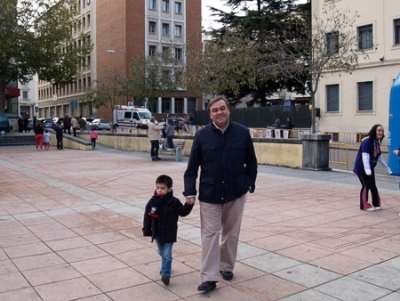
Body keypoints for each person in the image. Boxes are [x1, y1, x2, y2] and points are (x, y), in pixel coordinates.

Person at [183, 96, 258, 293]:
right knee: (210, 234)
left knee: (231, 233)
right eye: (215, 110)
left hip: (236, 192)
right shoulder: (202, 136)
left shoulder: (242, 133)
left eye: (222, 108)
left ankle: (226, 266)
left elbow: (251, 162)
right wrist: (190, 191)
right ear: (210, 114)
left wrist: (249, 182)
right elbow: (192, 168)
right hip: (210, 193)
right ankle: (209, 276)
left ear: (228, 110)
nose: (220, 112)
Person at [142, 175, 194, 286]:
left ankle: (165, 274)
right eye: (158, 187)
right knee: (162, 252)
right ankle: (167, 265)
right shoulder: (152, 202)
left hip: (169, 233)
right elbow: (147, 216)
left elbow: (182, 212)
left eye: (163, 188)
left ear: (169, 189)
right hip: (157, 233)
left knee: (166, 254)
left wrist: (189, 205)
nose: (159, 190)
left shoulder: (174, 202)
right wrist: (147, 230)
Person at [353, 124, 392, 211]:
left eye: (382, 131)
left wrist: (387, 169)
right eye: (379, 130)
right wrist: (367, 170)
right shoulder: (367, 141)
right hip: (362, 167)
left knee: (373, 186)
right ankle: (364, 205)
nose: (380, 132)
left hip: (370, 168)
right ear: (374, 131)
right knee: (365, 185)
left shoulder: (376, 142)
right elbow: (365, 156)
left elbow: (379, 157)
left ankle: (376, 203)